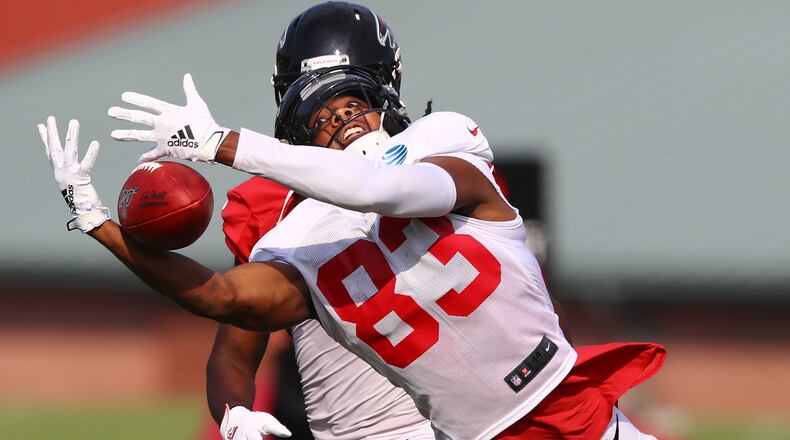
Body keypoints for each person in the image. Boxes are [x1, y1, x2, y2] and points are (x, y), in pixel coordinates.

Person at [40, 64, 664, 438]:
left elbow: (381, 187)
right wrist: (96, 222)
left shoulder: (443, 141)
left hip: (570, 413)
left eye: (353, 105)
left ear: (385, 108)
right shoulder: (297, 240)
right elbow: (220, 297)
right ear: (304, 144)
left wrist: (220, 143)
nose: (342, 120)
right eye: (321, 120)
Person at [203, 3, 435, 439]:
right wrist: (235, 414)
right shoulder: (272, 204)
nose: (337, 122)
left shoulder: (434, 159)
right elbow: (233, 350)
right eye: (316, 106)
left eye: (350, 100)